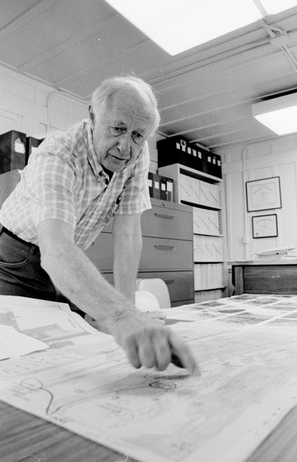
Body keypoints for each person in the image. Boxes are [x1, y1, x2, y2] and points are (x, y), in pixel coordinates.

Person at [0, 75, 199, 376]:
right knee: (24, 355)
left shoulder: (136, 152)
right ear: (93, 116)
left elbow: (129, 233)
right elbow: (55, 251)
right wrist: (120, 316)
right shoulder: (58, 154)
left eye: (137, 135)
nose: (125, 146)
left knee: (78, 345)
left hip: (68, 256)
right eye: (118, 128)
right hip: (18, 257)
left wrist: (129, 313)